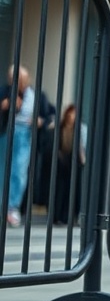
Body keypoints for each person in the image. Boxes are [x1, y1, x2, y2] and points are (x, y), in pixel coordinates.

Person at [0, 65, 56, 228]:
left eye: (21, 79)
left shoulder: (37, 95)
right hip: (6, 132)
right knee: (3, 169)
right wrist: (4, 106)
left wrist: (40, 122)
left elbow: (51, 115)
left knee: (19, 171)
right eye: (15, 79)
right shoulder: (5, 91)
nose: (19, 82)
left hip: (26, 134)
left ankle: (12, 207)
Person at [52, 104, 85, 225]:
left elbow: (80, 146)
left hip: (73, 162)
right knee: (59, 189)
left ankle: (69, 217)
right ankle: (57, 216)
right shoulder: (60, 127)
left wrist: (82, 158)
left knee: (71, 191)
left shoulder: (78, 129)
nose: (71, 116)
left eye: (74, 114)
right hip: (61, 161)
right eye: (70, 113)